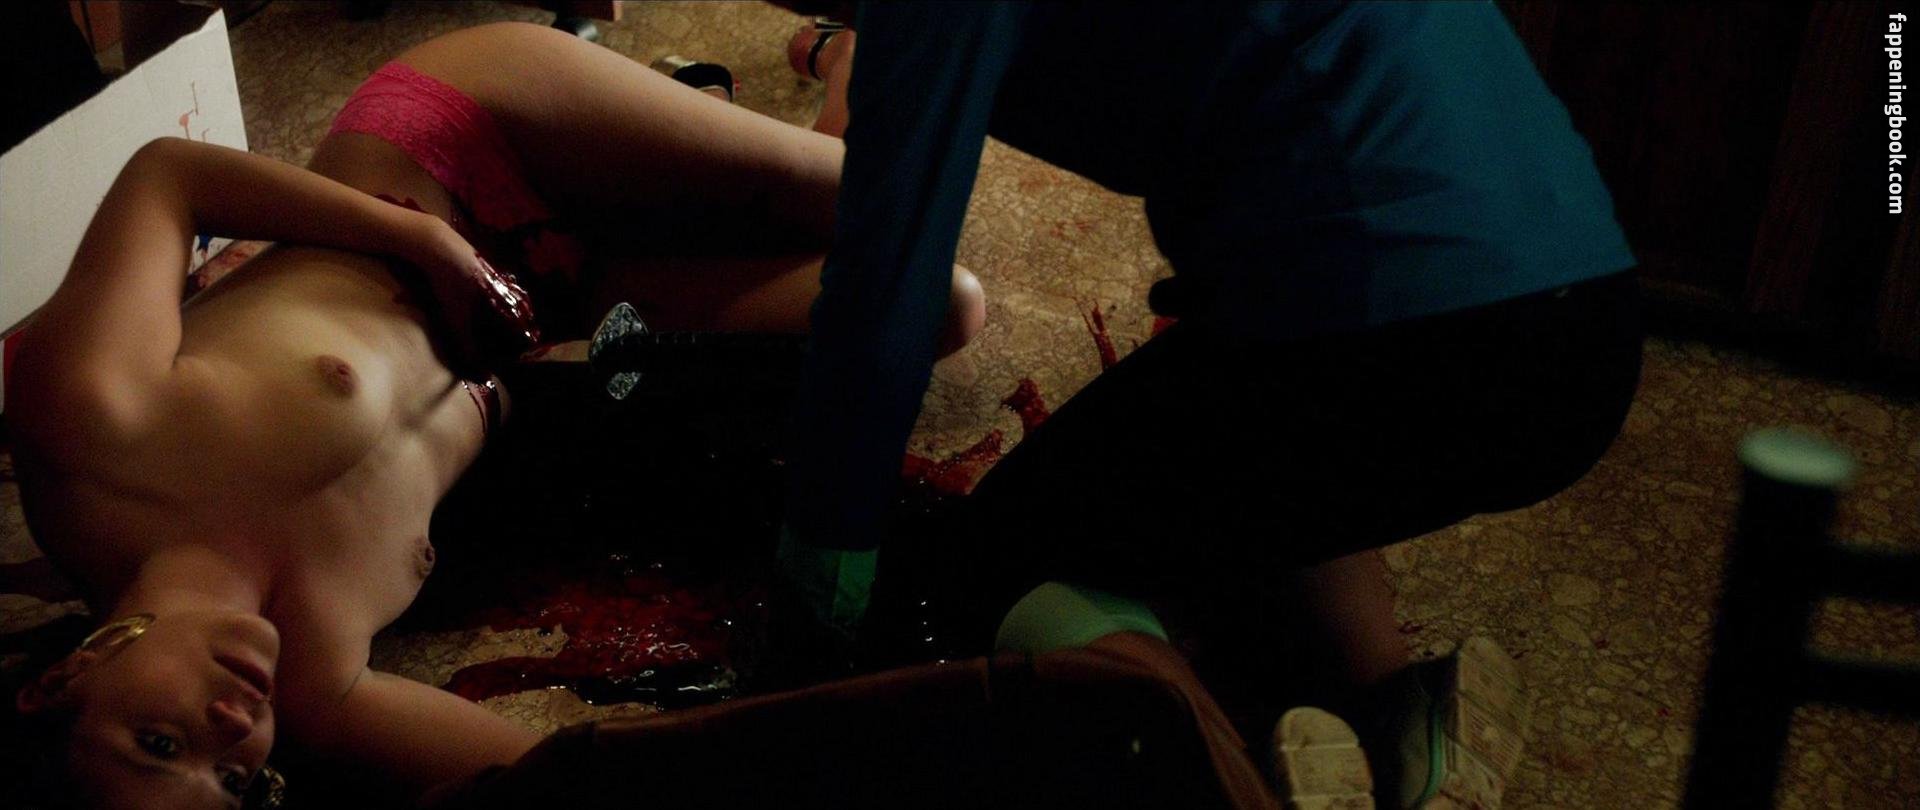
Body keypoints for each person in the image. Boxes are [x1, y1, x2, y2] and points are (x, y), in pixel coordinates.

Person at [2, 21, 982, 809]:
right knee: (936, 305)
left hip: (462, 155)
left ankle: (775, 86)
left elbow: (169, 175)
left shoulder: (87, 433)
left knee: (889, 199)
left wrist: (422, 244)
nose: (229, 730)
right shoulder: (318, 683)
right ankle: (802, 82)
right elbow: (578, 781)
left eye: (158, 741)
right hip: (569, 299)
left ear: (56, 684)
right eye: (230, 782)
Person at [771, 3, 1642, 806]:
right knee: (1250, 451)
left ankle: (1231, 778)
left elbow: (888, 288)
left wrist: (822, 585)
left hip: (1411, 337)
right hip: (1586, 330)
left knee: (996, 568)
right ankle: (1395, 720)